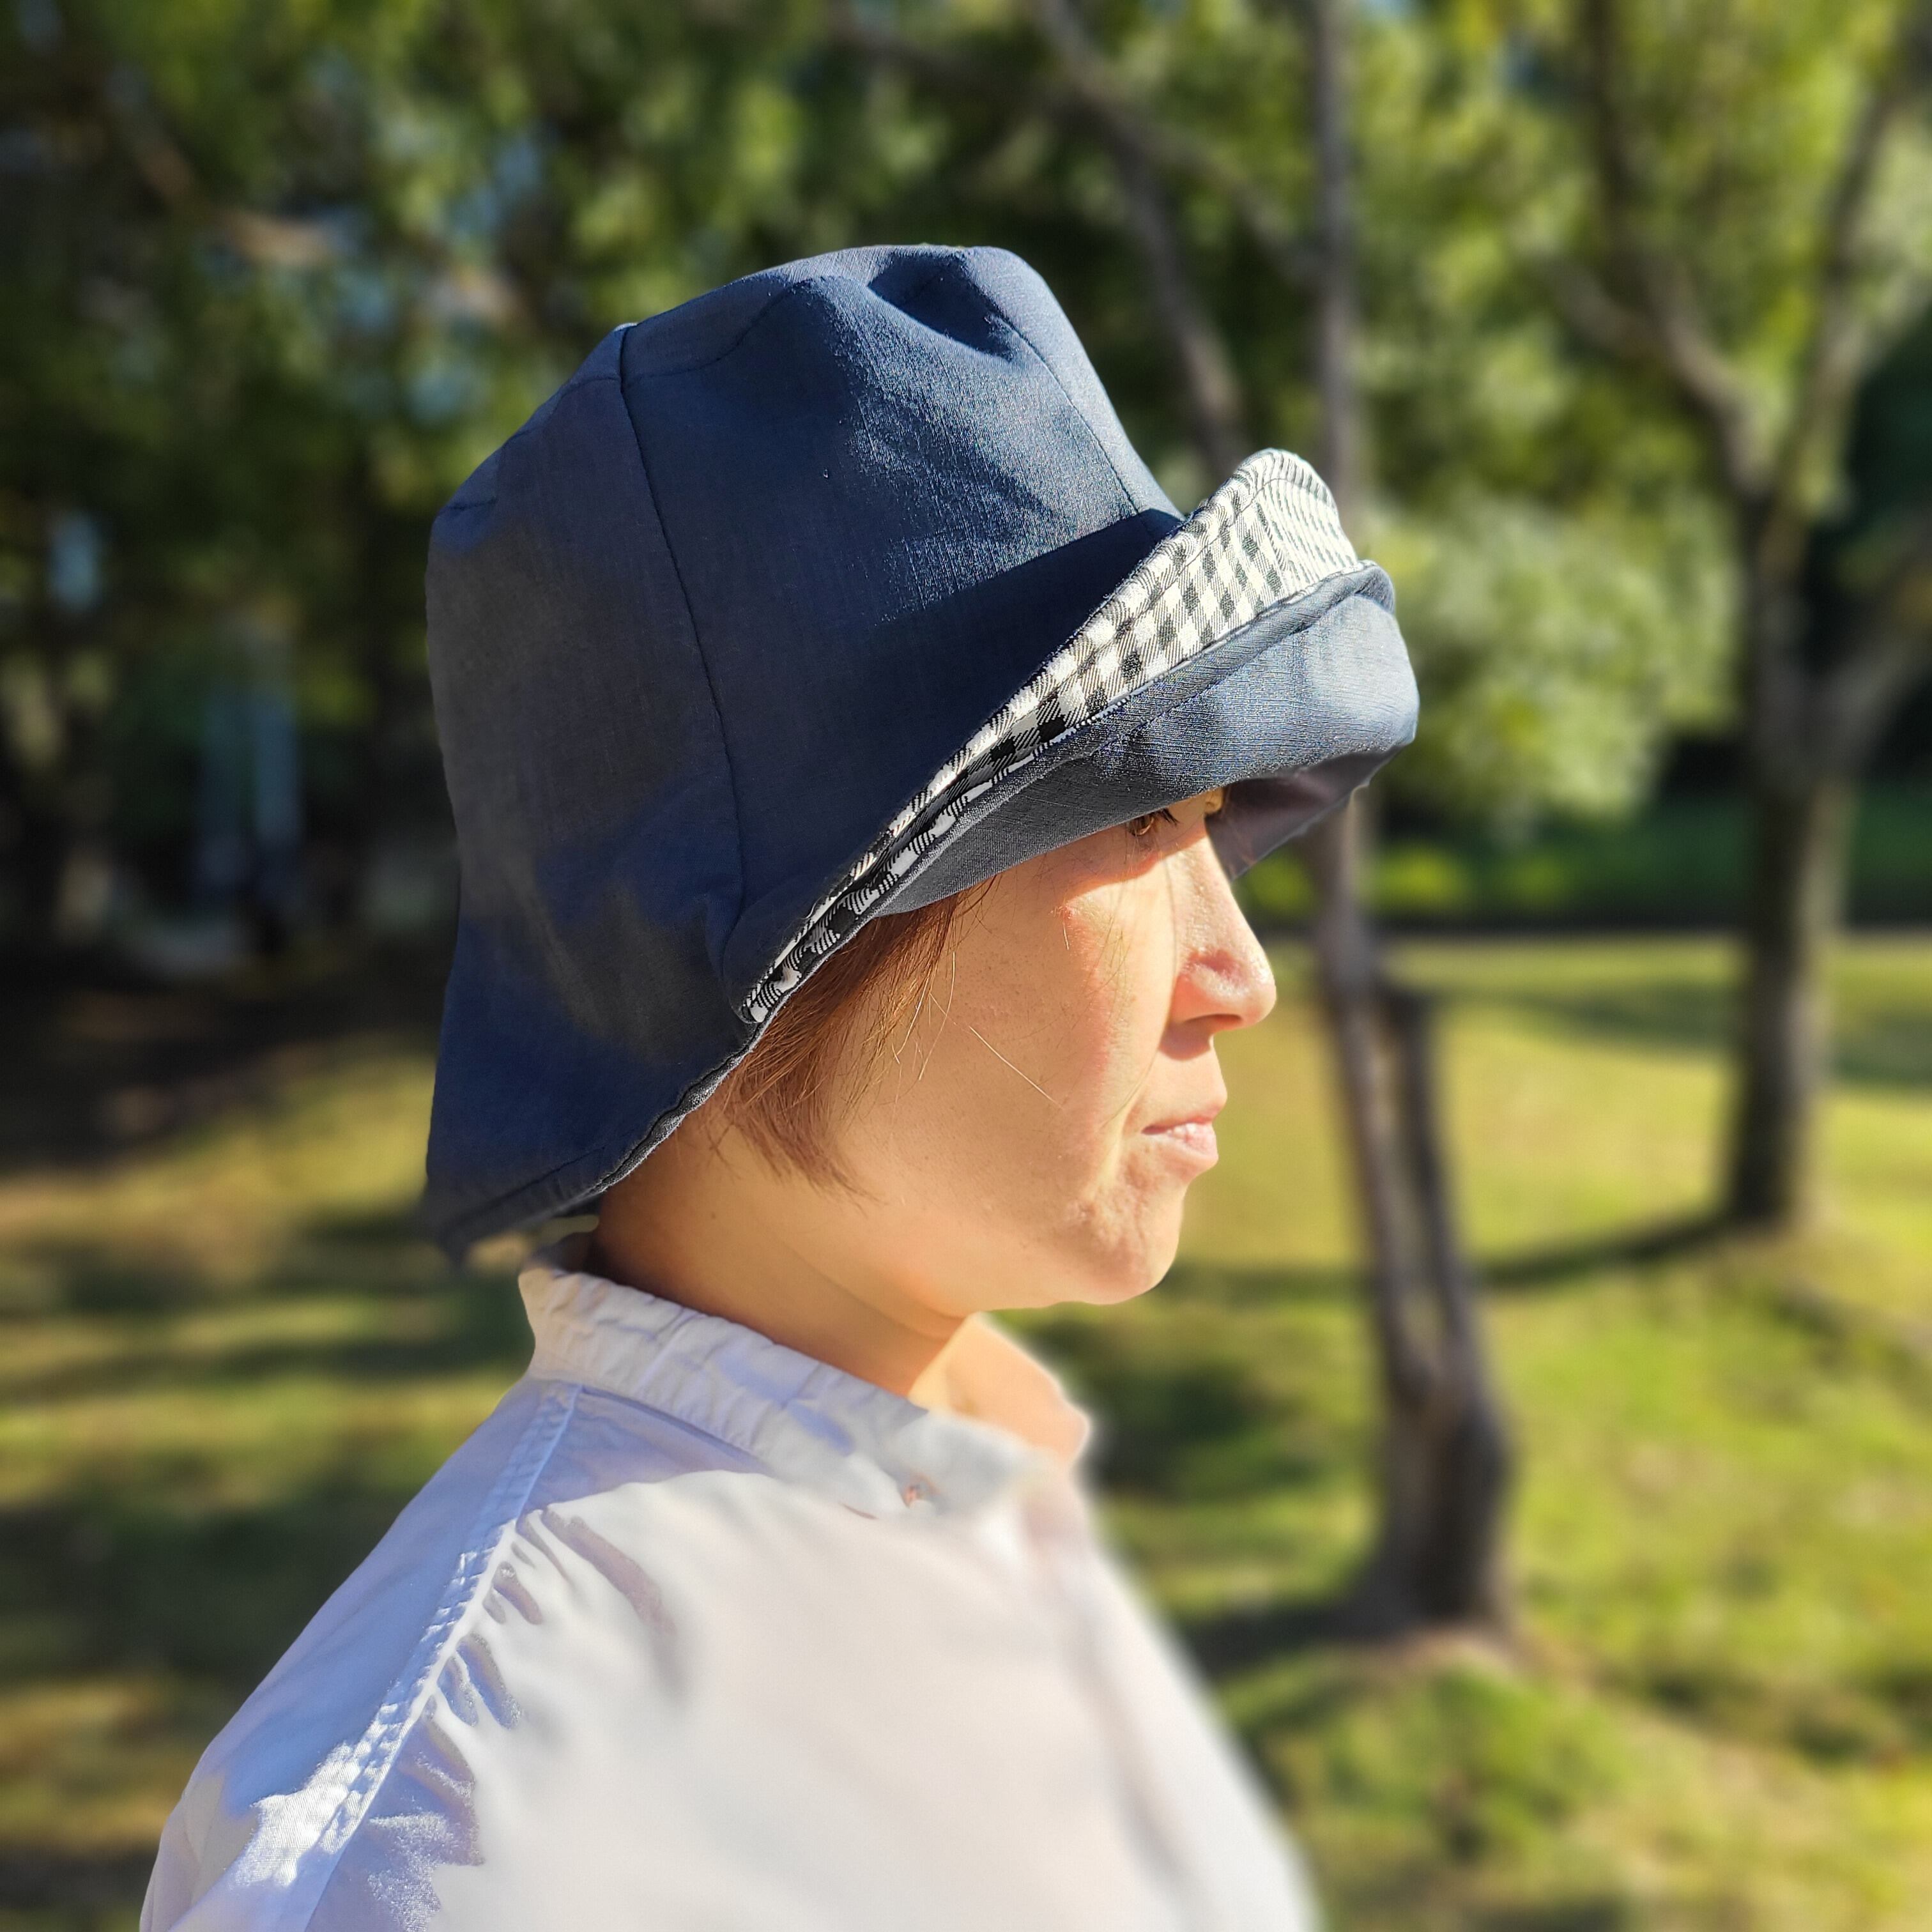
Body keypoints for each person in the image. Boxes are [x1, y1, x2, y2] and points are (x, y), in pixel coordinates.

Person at [141, 245, 1417, 1931]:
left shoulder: (975, 1485)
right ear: (780, 945)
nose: (1241, 972)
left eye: (1207, 818)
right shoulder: (454, 1851)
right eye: (1134, 816)